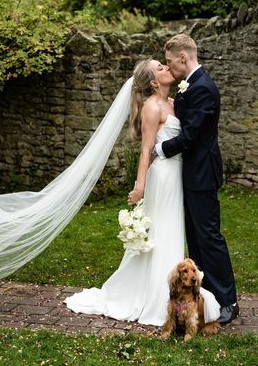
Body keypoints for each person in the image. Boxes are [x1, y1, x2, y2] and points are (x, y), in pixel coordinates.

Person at [64, 59, 221, 326]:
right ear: (152, 82)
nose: (165, 68)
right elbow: (146, 150)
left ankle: (175, 294)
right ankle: (159, 298)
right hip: (162, 176)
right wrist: (139, 187)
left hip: (178, 174)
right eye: (160, 68)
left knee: (171, 230)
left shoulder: (174, 102)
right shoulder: (151, 107)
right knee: (162, 230)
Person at [155, 33, 239, 325]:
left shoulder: (204, 88)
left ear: (183, 57)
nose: (168, 66)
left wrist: (162, 148)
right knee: (196, 239)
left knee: (209, 238)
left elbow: (191, 135)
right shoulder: (188, 86)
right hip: (188, 174)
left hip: (202, 174)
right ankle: (207, 297)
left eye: (169, 61)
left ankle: (228, 300)